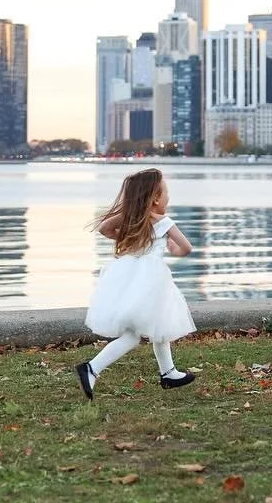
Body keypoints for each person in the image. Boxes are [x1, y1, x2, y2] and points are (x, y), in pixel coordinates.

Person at [76, 168, 197, 398]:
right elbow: (187, 247)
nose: (169, 197)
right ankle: (92, 368)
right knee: (134, 334)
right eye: (166, 192)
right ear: (155, 198)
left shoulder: (131, 218)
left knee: (158, 324)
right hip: (152, 280)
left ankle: (168, 373)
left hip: (127, 276)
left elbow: (104, 229)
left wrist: (123, 237)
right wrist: (173, 249)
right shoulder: (163, 221)